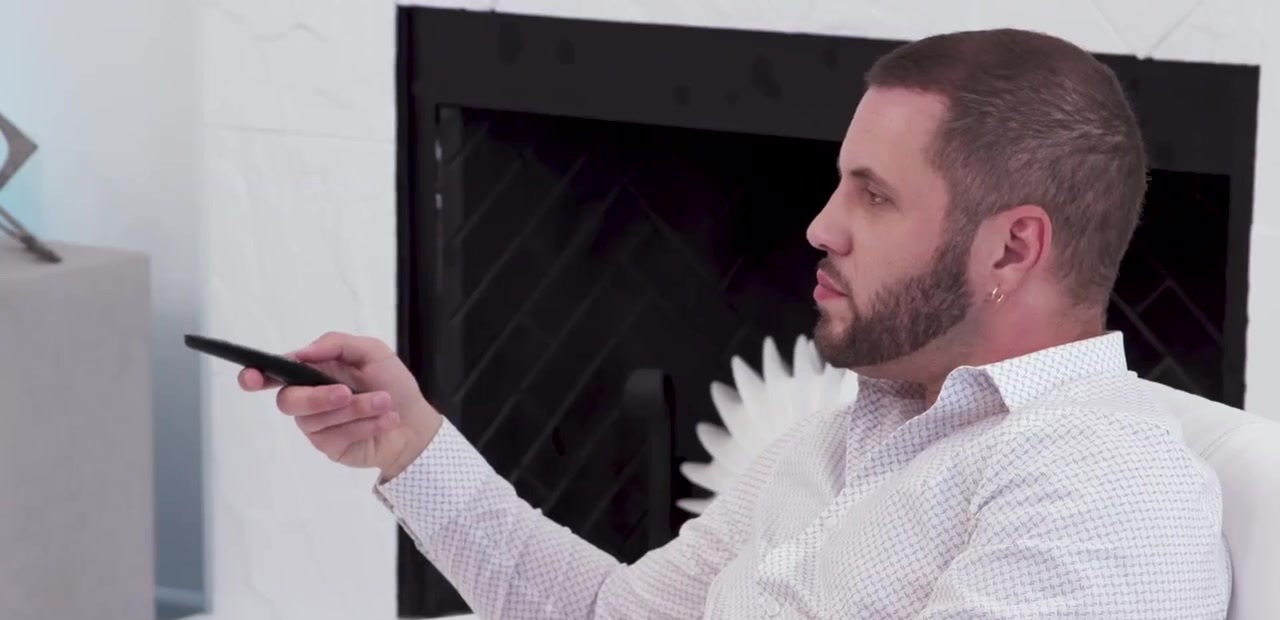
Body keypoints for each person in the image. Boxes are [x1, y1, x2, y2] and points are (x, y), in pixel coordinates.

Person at [239, 28, 1231, 619]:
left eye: (874, 195)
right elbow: (609, 613)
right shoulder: (839, 440)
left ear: (1011, 249)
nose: (821, 227)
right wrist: (411, 445)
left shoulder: (1099, 482)